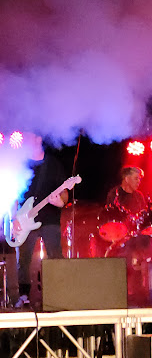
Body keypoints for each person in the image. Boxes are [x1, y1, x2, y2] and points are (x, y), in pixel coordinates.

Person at [12, 132, 69, 308]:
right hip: (25, 218)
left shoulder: (53, 164)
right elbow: (14, 195)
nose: (27, 140)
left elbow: (65, 189)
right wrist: (15, 219)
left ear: (39, 139)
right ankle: (24, 295)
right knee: (24, 259)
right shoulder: (21, 164)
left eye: (31, 137)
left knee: (55, 255)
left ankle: (58, 292)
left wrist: (61, 202)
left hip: (50, 218)